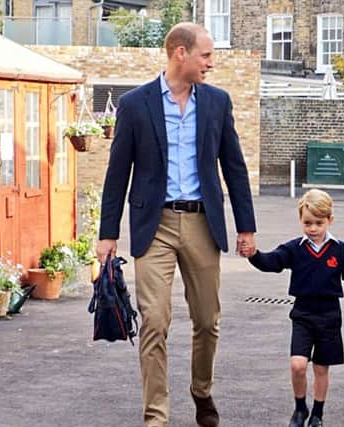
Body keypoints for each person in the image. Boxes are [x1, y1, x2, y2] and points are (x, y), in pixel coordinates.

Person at [95, 23, 256, 427]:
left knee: (207, 320)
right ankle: (156, 416)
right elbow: (117, 174)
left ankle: (202, 391)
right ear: (180, 53)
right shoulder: (135, 104)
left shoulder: (218, 102)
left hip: (204, 222)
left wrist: (246, 226)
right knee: (154, 320)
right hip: (156, 225)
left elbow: (234, 168)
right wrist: (107, 234)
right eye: (206, 55)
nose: (212, 63)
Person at [241, 189, 344, 427]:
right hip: (302, 314)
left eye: (319, 223)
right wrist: (254, 255)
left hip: (330, 315)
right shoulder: (295, 248)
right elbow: (272, 262)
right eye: (307, 223)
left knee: (322, 368)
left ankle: (318, 415)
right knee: (298, 365)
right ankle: (300, 409)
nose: (313, 228)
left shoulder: (339, 249)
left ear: (330, 220)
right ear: (300, 220)